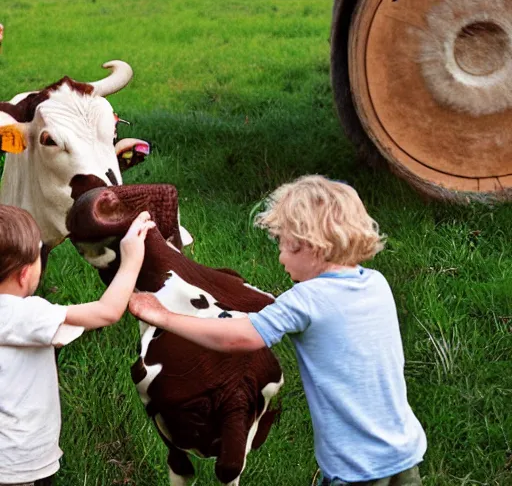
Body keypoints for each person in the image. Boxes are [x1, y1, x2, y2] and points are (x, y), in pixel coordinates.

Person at [128, 174, 427, 486]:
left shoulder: (307, 300)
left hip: (356, 465)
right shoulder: (376, 283)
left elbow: (239, 337)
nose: (281, 258)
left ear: (310, 246)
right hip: (404, 448)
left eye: (283, 245)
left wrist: (163, 316)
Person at [0, 205, 155, 486]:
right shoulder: (26, 314)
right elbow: (107, 311)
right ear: (25, 274)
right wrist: (131, 259)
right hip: (19, 462)